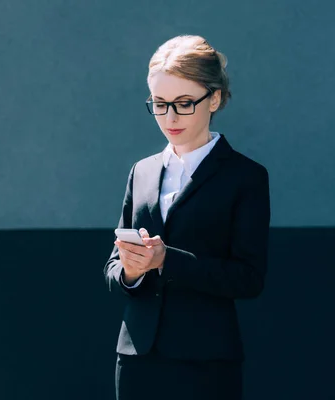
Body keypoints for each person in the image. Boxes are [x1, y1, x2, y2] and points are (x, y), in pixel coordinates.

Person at [103, 35, 271, 400]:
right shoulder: (142, 172)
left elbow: (248, 279)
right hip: (137, 359)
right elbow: (114, 269)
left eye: (183, 103)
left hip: (205, 362)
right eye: (160, 105)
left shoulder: (244, 176)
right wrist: (131, 270)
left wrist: (167, 259)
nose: (170, 117)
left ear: (214, 98)